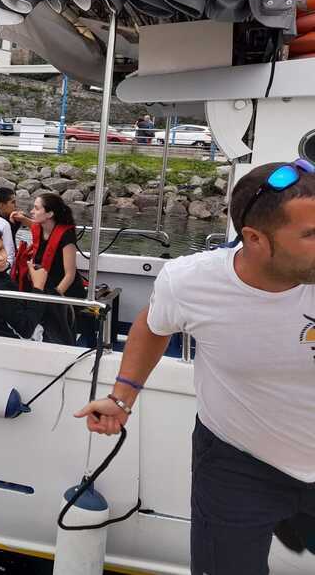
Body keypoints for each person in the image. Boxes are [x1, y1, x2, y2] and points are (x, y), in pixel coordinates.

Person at [74, 161, 315, 575]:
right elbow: (152, 327)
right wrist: (122, 396)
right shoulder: (189, 282)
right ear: (255, 239)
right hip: (237, 463)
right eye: (311, 235)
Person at [12, 192, 82, 345]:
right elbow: (33, 225)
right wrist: (22, 219)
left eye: (36, 209)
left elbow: (70, 275)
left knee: (57, 327)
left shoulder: (66, 237)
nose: (32, 211)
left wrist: (54, 299)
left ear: (49, 213)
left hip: (63, 290)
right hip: (43, 285)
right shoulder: (40, 226)